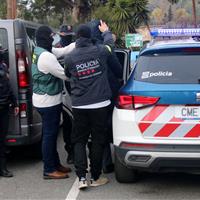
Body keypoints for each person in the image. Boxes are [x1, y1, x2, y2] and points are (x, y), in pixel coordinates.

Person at [64, 22, 114, 189]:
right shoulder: (100, 51)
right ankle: (95, 176)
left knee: (79, 140)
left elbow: (67, 74)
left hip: (80, 105)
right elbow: (110, 45)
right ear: (90, 37)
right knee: (98, 141)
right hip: (100, 103)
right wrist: (106, 32)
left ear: (77, 38)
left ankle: (81, 178)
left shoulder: (70, 57)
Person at [32, 26, 75, 179]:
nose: (53, 38)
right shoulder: (46, 57)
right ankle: (49, 169)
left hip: (42, 100)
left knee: (50, 135)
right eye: (51, 35)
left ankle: (55, 164)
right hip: (48, 102)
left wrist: (80, 42)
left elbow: (63, 51)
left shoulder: (40, 50)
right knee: (50, 137)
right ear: (45, 37)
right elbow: (65, 75)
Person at [87, 19, 123, 174]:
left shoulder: (82, 51)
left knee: (97, 129)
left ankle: (104, 162)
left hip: (89, 97)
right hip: (108, 94)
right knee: (110, 126)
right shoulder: (104, 50)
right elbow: (118, 70)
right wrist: (107, 32)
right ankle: (112, 162)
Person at [56, 24, 75, 164]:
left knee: (77, 124)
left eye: (69, 36)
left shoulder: (75, 48)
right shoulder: (55, 49)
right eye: (65, 36)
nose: (67, 38)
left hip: (76, 91)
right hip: (62, 92)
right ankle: (71, 152)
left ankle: (77, 149)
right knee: (68, 125)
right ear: (60, 35)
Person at [0, 47, 19, 178]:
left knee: (2, 140)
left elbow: (8, 86)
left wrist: (14, 102)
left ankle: (2, 168)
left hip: (4, 107)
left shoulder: (3, 66)